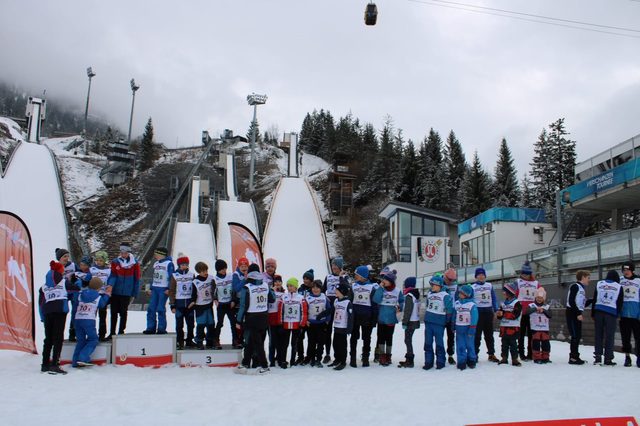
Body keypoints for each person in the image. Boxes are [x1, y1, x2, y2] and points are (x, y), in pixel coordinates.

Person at [39, 259, 76, 375]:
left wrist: (42, 316)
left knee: (48, 338)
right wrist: (76, 281)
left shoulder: (43, 287)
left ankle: (45, 364)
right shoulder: (63, 282)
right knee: (58, 338)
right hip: (60, 312)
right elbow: (75, 289)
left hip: (47, 313)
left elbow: (40, 303)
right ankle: (55, 364)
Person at [236, 270, 275, 374]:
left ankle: (265, 366)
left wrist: (238, 320)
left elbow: (243, 306)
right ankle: (245, 363)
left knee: (257, 343)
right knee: (252, 341)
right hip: (264, 317)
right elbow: (272, 299)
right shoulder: (266, 285)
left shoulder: (247, 287)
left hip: (252, 317)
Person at [72, 278, 111, 367]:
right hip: (89, 320)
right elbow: (102, 304)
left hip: (78, 319)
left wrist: (73, 321)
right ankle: (83, 357)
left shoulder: (80, 294)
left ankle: (75, 361)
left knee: (81, 341)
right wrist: (107, 295)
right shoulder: (98, 297)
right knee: (93, 339)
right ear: (99, 288)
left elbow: (74, 308)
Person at [107, 242, 140, 338]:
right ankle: (112, 332)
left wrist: (135, 292)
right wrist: (110, 285)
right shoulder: (115, 262)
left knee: (123, 311)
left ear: (128, 252)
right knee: (113, 312)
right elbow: (113, 275)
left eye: (125, 252)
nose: (123, 254)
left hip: (127, 292)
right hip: (116, 291)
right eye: (121, 251)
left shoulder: (134, 263)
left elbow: (137, 278)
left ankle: (121, 331)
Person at [372, 271, 404, 367]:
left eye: (385, 280)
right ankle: (382, 355)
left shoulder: (397, 291)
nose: (383, 281)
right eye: (383, 279)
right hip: (381, 318)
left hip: (391, 318)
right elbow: (376, 299)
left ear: (390, 281)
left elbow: (402, 301)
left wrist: (400, 307)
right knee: (381, 337)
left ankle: (388, 355)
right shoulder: (381, 289)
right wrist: (380, 288)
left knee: (389, 338)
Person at [592, 270, 623, 365]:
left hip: (598, 311)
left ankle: (597, 357)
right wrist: (617, 314)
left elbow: (594, 298)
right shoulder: (618, 287)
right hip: (611, 312)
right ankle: (608, 358)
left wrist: (593, 313)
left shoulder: (599, 284)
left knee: (598, 335)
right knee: (609, 336)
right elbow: (620, 302)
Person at [423, 275, 454, 370]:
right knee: (428, 343)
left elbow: (449, 309)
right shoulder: (429, 294)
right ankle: (428, 361)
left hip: (439, 323)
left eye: (434, 285)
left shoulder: (445, 295)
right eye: (431, 284)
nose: (432, 286)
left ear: (440, 285)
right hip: (429, 322)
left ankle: (440, 361)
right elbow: (428, 305)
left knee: (439, 343)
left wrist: (447, 320)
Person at [322, 256, 349, 364]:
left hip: (340, 307)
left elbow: (347, 288)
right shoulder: (328, 277)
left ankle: (340, 355)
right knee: (327, 331)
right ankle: (327, 354)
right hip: (330, 306)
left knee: (339, 332)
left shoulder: (344, 276)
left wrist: (342, 278)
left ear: (340, 267)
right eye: (333, 265)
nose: (334, 267)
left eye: (336, 265)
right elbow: (323, 290)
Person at [349, 265, 377, 368]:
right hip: (355, 317)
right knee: (354, 338)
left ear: (362, 275)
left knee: (366, 338)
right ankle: (353, 358)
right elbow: (350, 301)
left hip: (367, 317)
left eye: (357, 274)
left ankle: (365, 358)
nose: (355, 276)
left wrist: (374, 320)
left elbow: (374, 305)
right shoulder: (353, 286)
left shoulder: (371, 287)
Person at [144, 247, 174, 334]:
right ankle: (150, 327)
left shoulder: (169, 264)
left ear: (161, 255)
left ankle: (161, 328)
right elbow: (152, 276)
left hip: (163, 289)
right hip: (155, 288)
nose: (155, 255)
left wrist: (169, 288)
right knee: (151, 308)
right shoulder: (156, 263)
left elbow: (172, 277)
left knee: (160, 308)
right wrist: (149, 288)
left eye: (156, 254)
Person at [472, 267, 499, 363]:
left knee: (489, 335)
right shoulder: (473, 287)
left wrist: (496, 309)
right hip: (478, 312)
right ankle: (474, 354)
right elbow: (470, 300)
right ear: (476, 276)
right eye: (479, 275)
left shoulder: (489, 285)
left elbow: (494, 298)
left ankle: (491, 354)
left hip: (488, 311)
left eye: (482, 274)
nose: (481, 276)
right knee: (477, 335)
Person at [566, 270, 592, 365]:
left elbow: (582, 304)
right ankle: (573, 357)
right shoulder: (575, 286)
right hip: (572, 313)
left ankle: (576, 356)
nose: (589, 280)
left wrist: (592, 300)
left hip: (577, 313)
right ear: (583, 277)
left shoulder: (582, 289)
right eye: (588, 278)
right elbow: (571, 301)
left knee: (578, 335)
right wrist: (577, 313)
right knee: (575, 336)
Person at [515, 261, 540, 361]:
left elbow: (540, 295)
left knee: (531, 333)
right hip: (521, 311)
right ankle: (521, 353)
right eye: (523, 273)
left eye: (527, 274)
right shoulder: (517, 282)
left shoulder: (536, 283)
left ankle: (531, 353)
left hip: (532, 311)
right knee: (521, 333)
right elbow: (514, 294)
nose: (525, 275)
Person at [280, 277, 308, 367]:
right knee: (285, 343)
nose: (289, 288)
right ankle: (283, 360)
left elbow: (304, 311)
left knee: (294, 343)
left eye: (291, 286)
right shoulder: (284, 297)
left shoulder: (300, 298)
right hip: (286, 323)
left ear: (296, 287)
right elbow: (280, 310)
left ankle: (292, 360)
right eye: (288, 286)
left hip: (296, 324)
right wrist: (280, 322)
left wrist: (302, 323)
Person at [169, 255, 195, 349]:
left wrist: (194, 301)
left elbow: (194, 289)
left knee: (191, 324)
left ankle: (189, 340)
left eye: (186, 264)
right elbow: (171, 290)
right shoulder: (174, 275)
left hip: (189, 304)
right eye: (182, 264)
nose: (184, 266)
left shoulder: (191, 275)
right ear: (179, 265)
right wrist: (172, 304)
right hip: (179, 303)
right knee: (179, 324)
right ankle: (180, 341)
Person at [188, 262, 216, 349]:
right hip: (200, 306)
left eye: (206, 270)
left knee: (211, 323)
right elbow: (193, 293)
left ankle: (209, 340)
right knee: (201, 324)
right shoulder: (195, 282)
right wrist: (192, 301)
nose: (205, 272)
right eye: (203, 271)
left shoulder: (211, 278)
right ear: (198, 272)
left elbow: (215, 289)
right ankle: (199, 340)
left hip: (209, 305)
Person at [306, 280, 332, 367]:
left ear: (320, 288)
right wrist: (306, 320)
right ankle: (312, 358)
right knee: (311, 342)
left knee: (321, 343)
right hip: (311, 324)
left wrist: (327, 320)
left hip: (321, 323)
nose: (315, 289)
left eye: (317, 287)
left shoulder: (324, 297)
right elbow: (304, 311)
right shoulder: (308, 298)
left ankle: (318, 359)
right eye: (313, 287)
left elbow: (329, 309)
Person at [496, 282, 522, 366]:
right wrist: (499, 314)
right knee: (504, 344)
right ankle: (504, 358)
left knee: (513, 344)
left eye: (505, 292)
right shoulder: (503, 303)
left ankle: (515, 359)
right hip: (504, 327)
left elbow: (515, 315)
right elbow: (500, 315)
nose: (504, 293)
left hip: (513, 327)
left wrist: (503, 314)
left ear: (510, 292)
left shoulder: (517, 303)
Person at [619, 261, 640, 368]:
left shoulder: (638, 280)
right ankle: (627, 357)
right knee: (625, 338)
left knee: (638, 338)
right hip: (624, 314)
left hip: (636, 314)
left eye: (627, 270)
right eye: (624, 270)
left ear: (632, 270)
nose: (625, 272)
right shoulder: (620, 280)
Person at [329, 282, 353, 371]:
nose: (335, 291)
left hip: (343, 328)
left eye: (337, 290)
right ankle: (337, 359)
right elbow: (331, 310)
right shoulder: (336, 301)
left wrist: (349, 329)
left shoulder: (347, 302)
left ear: (342, 292)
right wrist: (322, 314)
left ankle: (343, 361)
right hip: (336, 326)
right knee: (335, 343)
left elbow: (351, 317)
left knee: (342, 345)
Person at [454, 285, 478, 370]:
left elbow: (474, 317)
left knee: (470, 345)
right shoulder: (457, 303)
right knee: (460, 346)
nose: (460, 294)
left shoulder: (472, 305)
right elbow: (454, 314)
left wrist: (473, 327)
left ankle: (472, 360)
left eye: (462, 293)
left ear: (467, 294)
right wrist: (453, 325)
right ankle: (461, 361)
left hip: (468, 328)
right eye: (459, 292)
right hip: (459, 328)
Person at [213, 259, 236, 349]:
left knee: (233, 322)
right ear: (218, 270)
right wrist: (215, 300)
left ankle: (235, 340)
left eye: (225, 268)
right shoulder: (215, 279)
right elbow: (213, 291)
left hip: (229, 304)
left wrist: (233, 300)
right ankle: (216, 340)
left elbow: (234, 289)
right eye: (222, 269)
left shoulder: (230, 276)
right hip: (221, 304)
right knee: (220, 323)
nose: (224, 271)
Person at [70, 255, 93, 341]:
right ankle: (72, 333)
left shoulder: (91, 273)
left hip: (86, 300)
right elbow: (72, 283)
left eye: (85, 265)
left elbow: (90, 282)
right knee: (74, 314)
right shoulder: (76, 273)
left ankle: (85, 333)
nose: (82, 266)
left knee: (85, 316)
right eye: (81, 264)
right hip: (76, 298)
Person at [90, 250, 111, 341]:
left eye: (101, 260)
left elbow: (111, 280)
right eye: (97, 260)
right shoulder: (92, 269)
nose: (98, 262)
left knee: (102, 315)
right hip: (93, 294)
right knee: (91, 315)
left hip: (102, 294)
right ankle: (91, 334)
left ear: (105, 261)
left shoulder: (108, 270)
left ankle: (102, 334)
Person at [399, 277, 420, 368]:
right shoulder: (416, 294)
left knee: (407, 340)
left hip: (410, 321)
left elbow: (408, 310)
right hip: (415, 320)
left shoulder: (409, 296)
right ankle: (409, 358)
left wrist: (404, 322)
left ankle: (410, 360)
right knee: (408, 340)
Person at [527, 287, 552, 364]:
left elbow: (550, 315)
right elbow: (527, 312)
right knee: (536, 343)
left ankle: (545, 357)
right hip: (535, 328)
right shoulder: (531, 305)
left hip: (545, 328)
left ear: (543, 298)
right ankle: (537, 357)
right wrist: (536, 309)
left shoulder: (547, 306)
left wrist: (543, 310)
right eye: (538, 297)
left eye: (541, 298)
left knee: (546, 343)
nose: (539, 299)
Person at [295, 269, 314, 365]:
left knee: (311, 338)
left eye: (307, 279)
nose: (305, 280)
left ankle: (309, 356)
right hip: (301, 317)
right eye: (304, 278)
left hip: (310, 317)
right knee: (299, 337)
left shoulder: (314, 289)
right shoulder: (300, 289)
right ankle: (300, 356)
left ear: (311, 280)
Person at [231, 257, 250, 348]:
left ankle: (244, 340)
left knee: (245, 322)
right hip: (238, 302)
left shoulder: (250, 274)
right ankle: (237, 340)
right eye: (242, 266)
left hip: (247, 302)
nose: (244, 268)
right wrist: (244, 279)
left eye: (245, 266)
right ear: (238, 266)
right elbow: (236, 288)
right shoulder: (236, 274)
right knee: (237, 322)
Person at [268, 275, 285, 367]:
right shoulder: (269, 291)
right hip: (271, 320)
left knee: (280, 341)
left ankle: (279, 358)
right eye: (276, 281)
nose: (277, 283)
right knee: (272, 341)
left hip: (280, 320)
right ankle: (271, 360)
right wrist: (272, 291)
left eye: (279, 281)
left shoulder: (284, 293)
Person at [443, 268, 458, 365]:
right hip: (441, 313)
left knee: (451, 335)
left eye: (452, 280)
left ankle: (450, 355)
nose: (450, 282)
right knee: (439, 335)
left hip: (452, 313)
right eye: (448, 279)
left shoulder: (456, 286)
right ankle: (440, 355)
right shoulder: (439, 283)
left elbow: (458, 299)